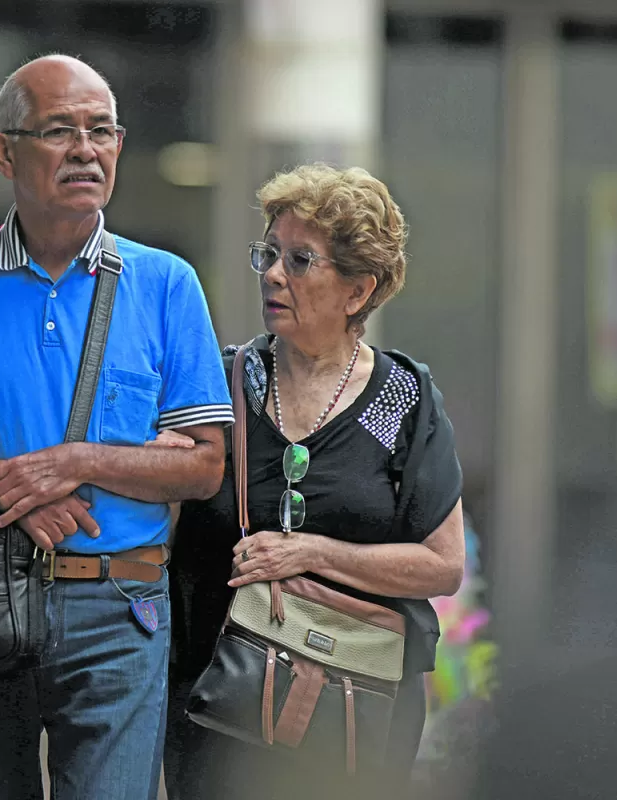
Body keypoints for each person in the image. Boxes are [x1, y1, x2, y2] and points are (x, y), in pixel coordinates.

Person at [0, 54, 234, 800]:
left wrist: (77, 462)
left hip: (122, 611)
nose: (85, 150)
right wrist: (3, 483)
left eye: (102, 131)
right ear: (5, 152)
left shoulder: (167, 284)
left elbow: (204, 465)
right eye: (60, 130)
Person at [162, 163, 466, 798]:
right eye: (269, 253)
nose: (274, 274)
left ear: (358, 291)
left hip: (356, 716)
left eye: (300, 261)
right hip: (217, 710)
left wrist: (312, 552)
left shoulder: (404, 403)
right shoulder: (222, 384)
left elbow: (442, 566)